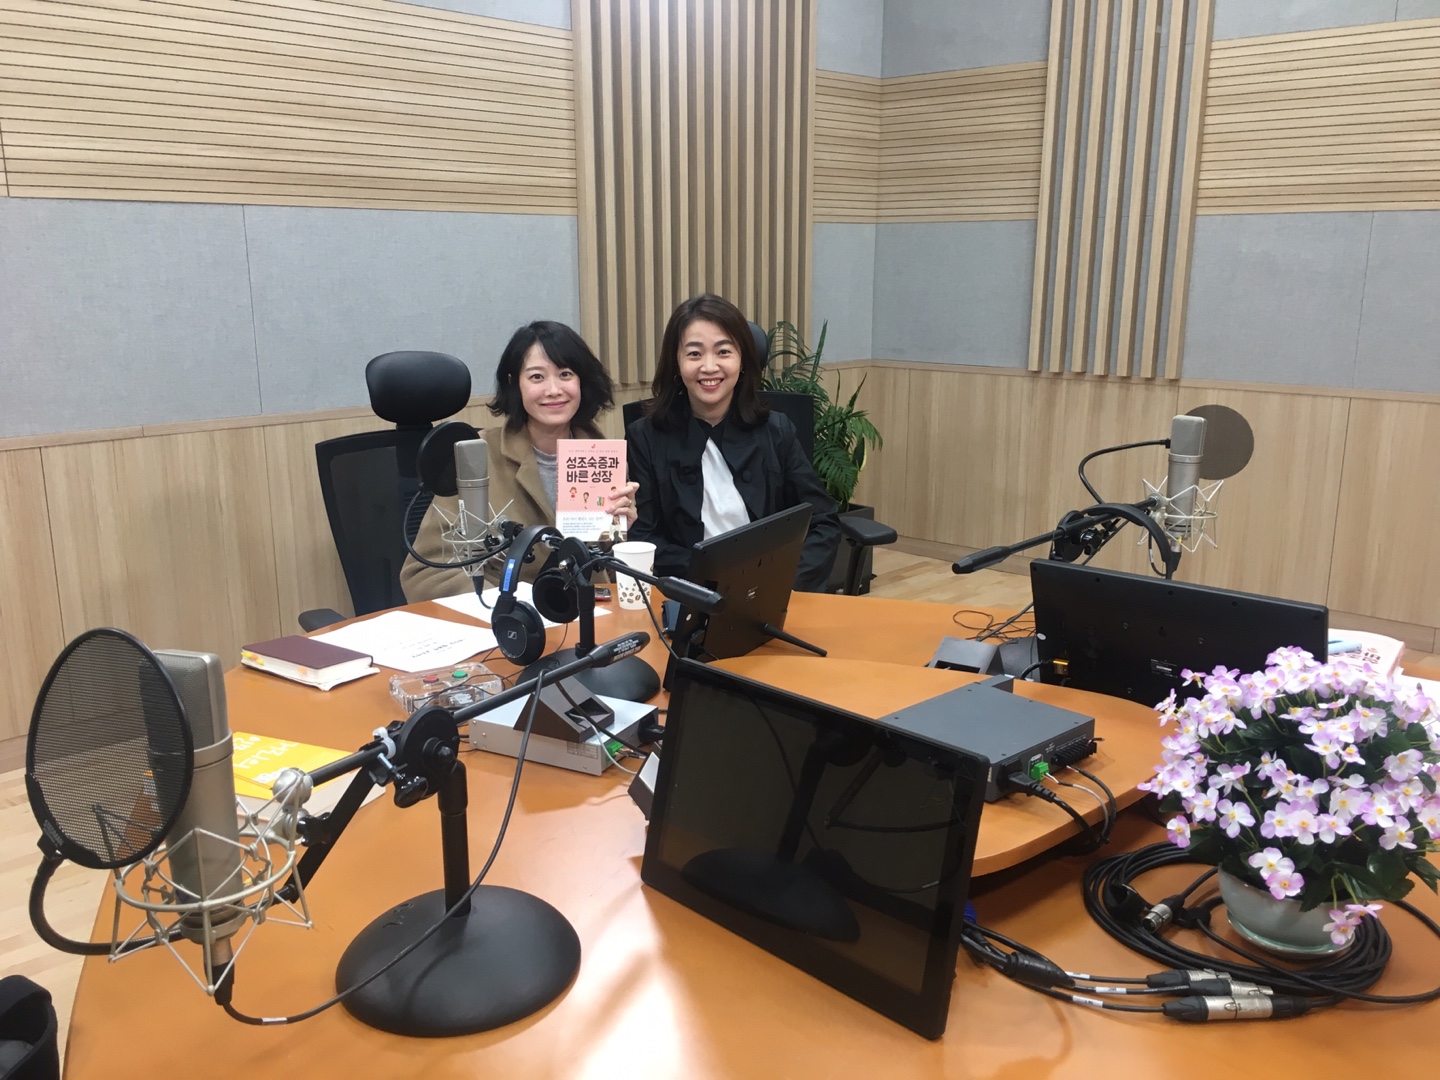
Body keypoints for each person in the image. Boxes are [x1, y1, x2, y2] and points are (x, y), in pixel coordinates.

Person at [400, 321, 638, 602]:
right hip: (507, 619)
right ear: (515, 383)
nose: (553, 389)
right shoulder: (476, 457)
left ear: (582, 381)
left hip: (587, 615)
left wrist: (620, 535)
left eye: (565, 374)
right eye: (537, 377)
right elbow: (425, 574)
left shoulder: (601, 457)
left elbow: (608, 575)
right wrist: (509, 606)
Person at [627, 294, 840, 592]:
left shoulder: (777, 431)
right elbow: (644, 537)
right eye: (694, 354)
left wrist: (786, 584)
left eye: (723, 352)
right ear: (676, 362)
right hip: (689, 594)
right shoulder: (645, 437)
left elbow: (822, 521)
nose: (709, 366)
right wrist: (712, 580)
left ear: (742, 361)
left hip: (772, 591)